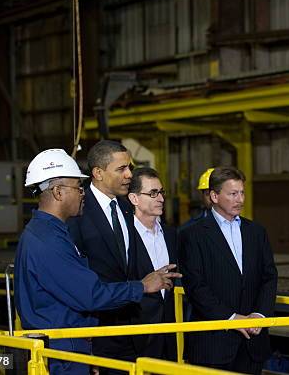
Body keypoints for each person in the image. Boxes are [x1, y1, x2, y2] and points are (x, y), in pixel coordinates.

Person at [14, 148, 180, 375]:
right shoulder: (47, 240)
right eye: (77, 187)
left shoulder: (51, 233)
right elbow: (90, 295)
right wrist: (142, 286)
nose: (83, 193)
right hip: (61, 354)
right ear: (58, 192)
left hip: (73, 346)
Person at [67, 140, 164, 370]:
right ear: (98, 173)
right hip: (97, 331)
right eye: (121, 169)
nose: (130, 174)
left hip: (133, 329)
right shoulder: (77, 212)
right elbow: (75, 277)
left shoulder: (126, 207)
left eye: (129, 167)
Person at [178, 166, 278, 374]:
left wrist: (260, 315)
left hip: (252, 341)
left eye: (242, 193)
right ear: (214, 196)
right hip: (213, 344)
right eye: (233, 194)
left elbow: (269, 277)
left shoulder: (256, 232)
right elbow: (196, 286)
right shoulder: (192, 235)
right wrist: (232, 318)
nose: (240, 199)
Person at [127, 167, 178, 360]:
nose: (161, 199)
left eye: (161, 192)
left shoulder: (172, 234)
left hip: (171, 332)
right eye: (153, 193)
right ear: (134, 199)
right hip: (137, 334)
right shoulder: (124, 236)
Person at [178, 168, 214, 233]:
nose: (213, 198)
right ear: (202, 195)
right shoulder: (188, 229)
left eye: (217, 193)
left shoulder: (236, 224)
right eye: (208, 194)